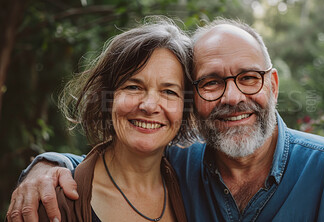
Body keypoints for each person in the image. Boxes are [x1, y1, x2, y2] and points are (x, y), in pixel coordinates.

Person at [7, 18, 324, 221]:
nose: (233, 98)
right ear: (195, 100)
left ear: (273, 85)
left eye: (248, 77)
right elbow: (117, 166)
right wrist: (48, 164)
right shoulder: (179, 164)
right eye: (212, 82)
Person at [7, 17, 195, 222]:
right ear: (107, 97)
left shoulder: (196, 193)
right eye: (133, 87)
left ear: (186, 108)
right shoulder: (52, 202)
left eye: (168, 91)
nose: (149, 106)